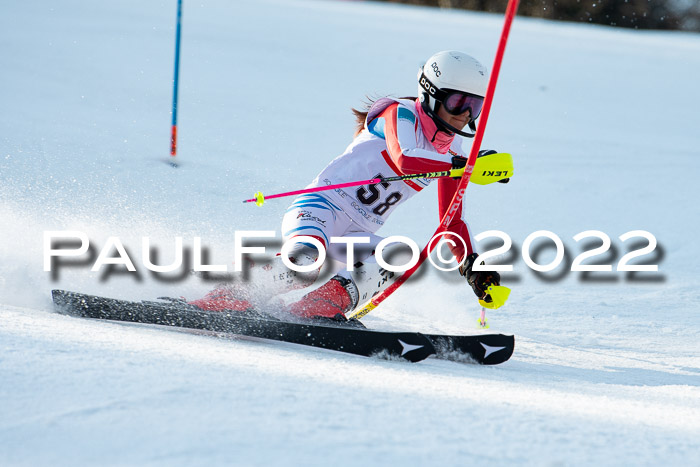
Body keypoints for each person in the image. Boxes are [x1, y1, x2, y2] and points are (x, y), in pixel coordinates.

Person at [190, 50, 501, 322]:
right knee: (307, 261)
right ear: (431, 94)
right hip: (322, 207)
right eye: (458, 102)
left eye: (474, 106)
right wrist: (463, 167)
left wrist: (472, 264)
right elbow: (405, 158)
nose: (465, 115)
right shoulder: (400, 114)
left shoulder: (455, 152)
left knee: (399, 255)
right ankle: (230, 295)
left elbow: (451, 221)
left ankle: (317, 309)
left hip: (355, 233)